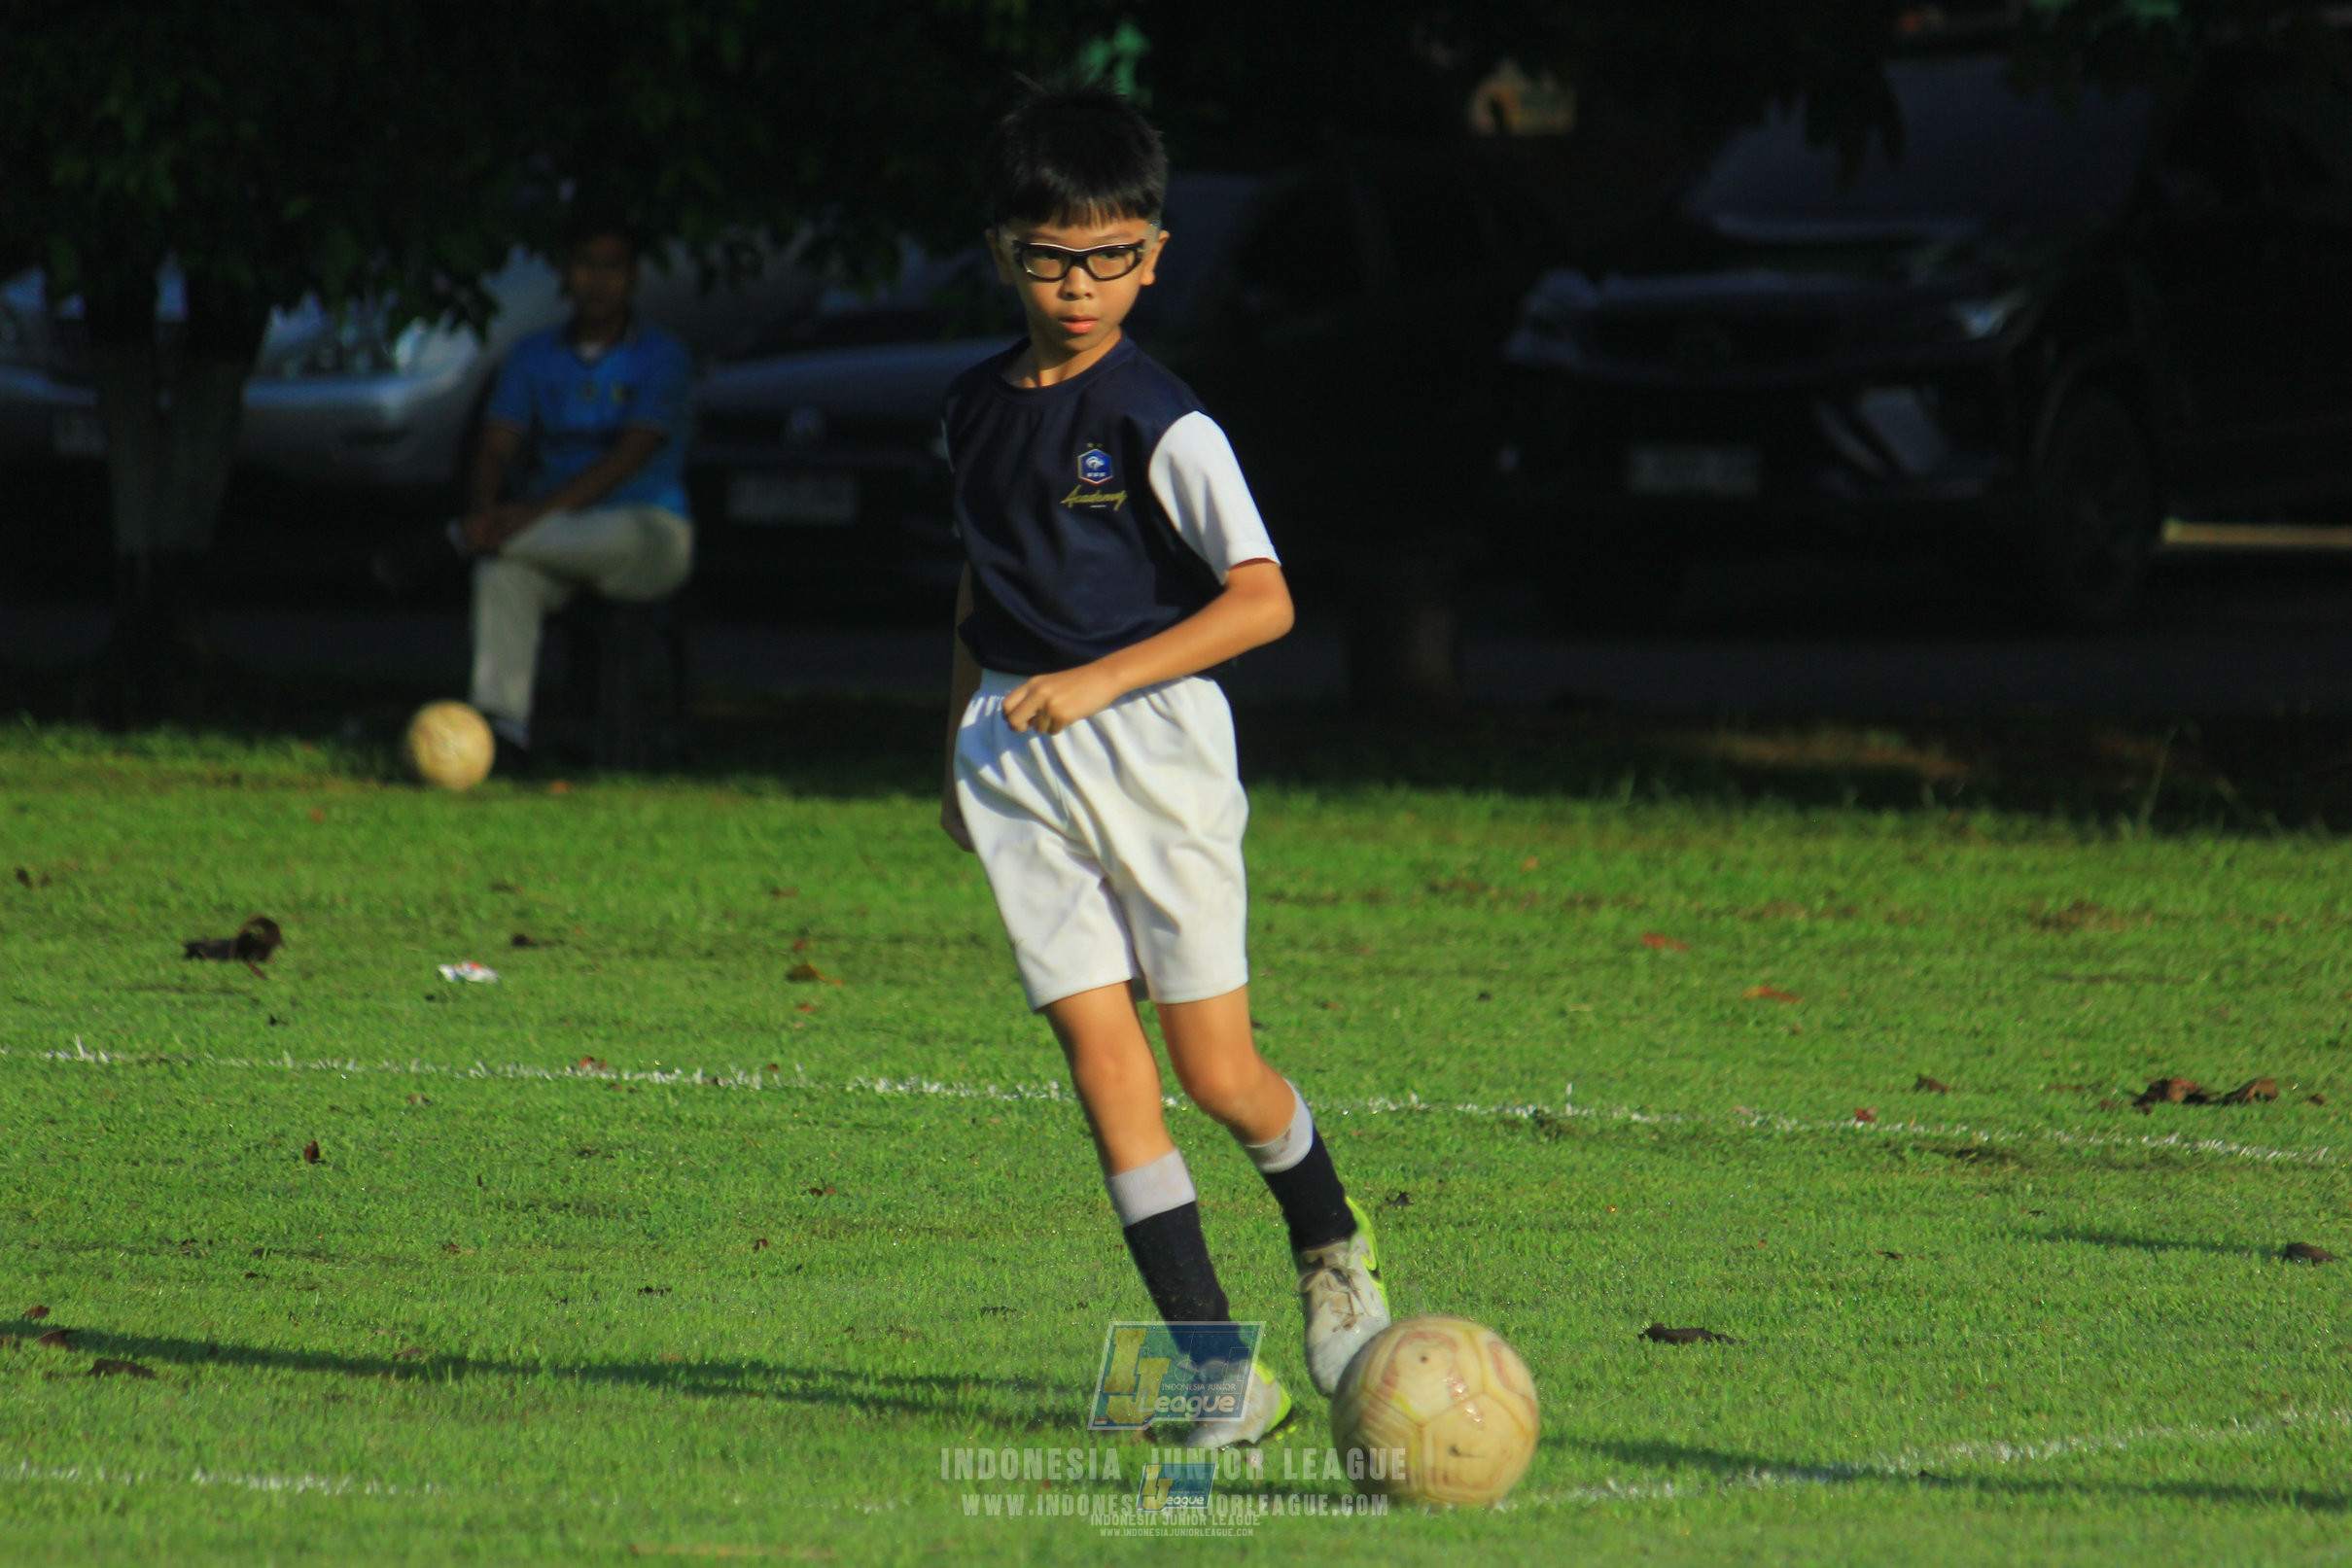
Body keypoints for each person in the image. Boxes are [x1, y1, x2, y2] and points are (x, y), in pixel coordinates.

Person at [939, 87, 1390, 1448]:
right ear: (1000, 250)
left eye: (1109, 256)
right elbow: (972, 588)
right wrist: (947, 754)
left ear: (1153, 254)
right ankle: (1214, 1367)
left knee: (1212, 1066)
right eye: (1048, 255)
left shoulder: (1161, 418)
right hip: (1014, 755)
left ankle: (1327, 1239)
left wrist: (1097, 679)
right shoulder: (966, 409)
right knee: (1097, 1056)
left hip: (1151, 748)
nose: (1077, 286)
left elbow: (1262, 600)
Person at [372, 216, 693, 768]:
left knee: (588, 532)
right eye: (586, 264)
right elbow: (495, 446)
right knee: (504, 573)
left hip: (644, 532)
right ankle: (502, 731)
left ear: (633, 278)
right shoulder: (531, 355)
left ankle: (457, 540)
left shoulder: (661, 357)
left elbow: (628, 457)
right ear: (565, 272)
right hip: (541, 534)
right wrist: (484, 511)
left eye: (612, 267)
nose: (597, 280)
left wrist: (517, 519)